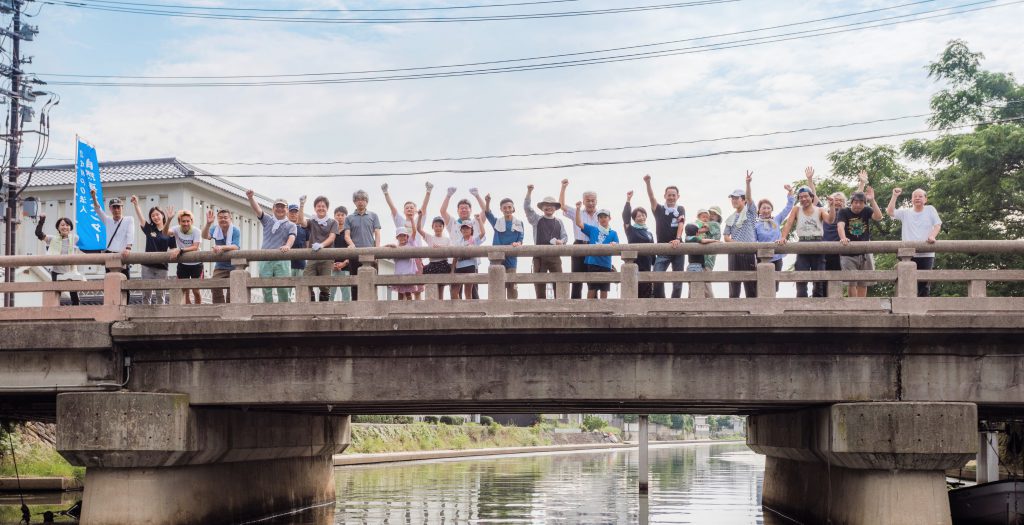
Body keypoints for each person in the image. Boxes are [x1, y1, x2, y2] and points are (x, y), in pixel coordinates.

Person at [777, 169, 835, 298]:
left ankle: (818, 304)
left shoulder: (819, 210)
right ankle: (801, 303)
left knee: (818, 277)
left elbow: (830, 220)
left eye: (806, 196)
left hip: (818, 243)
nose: (803, 199)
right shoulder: (796, 209)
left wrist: (831, 207)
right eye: (801, 197)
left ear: (811, 197)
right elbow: (788, 224)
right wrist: (783, 238)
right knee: (801, 276)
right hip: (803, 243)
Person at [886, 187, 942, 297]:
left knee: (924, 284)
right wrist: (894, 196)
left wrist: (932, 236)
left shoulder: (930, 209)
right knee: (906, 283)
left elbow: (937, 225)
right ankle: (906, 309)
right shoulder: (906, 213)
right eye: (915, 196)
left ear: (925, 199)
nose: (917, 198)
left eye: (920, 196)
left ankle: (922, 310)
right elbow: (890, 212)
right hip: (908, 253)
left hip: (927, 252)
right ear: (911, 200)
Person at [247, 190, 297, 303]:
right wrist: (251, 198)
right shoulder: (268, 220)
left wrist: (288, 246)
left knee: (283, 287)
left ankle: (284, 310)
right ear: (273, 208)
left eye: (282, 207)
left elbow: (292, 236)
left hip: (282, 258)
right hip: (265, 258)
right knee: (266, 287)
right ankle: (268, 310)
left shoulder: (291, 225)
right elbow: (257, 210)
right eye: (277, 206)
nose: (280, 209)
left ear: (287, 210)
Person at [822, 170, 865, 295]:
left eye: (841, 200)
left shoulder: (846, 213)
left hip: (841, 249)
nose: (838, 202)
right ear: (831, 201)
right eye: (836, 200)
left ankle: (838, 304)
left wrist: (862, 183)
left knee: (840, 279)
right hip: (825, 249)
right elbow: (814, 198)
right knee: (824, 278)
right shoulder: (824, 213)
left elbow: (857, 197)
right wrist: (809, 180)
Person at [642, 175, 686, 298]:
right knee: (657, 276)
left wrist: (678, 239)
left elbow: (681, 224)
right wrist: (648, 182)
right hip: (662, 248)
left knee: (678, 280)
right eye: (669, 195)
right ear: (665, 196)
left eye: (674, 195)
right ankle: (660, 302)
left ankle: (675, 305)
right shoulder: (659, 209)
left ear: (678, 196)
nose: (671, 197)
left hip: (678, 248)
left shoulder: (680, 209)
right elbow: (651, 197)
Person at [440, 186, 486, 299]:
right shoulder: (453, 223)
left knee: (472, 291)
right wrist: (448, 195)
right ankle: (457, 313)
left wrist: (477, 195)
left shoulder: (475, 221)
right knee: (455, 291)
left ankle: (476, 314)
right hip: (455, 262)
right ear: (457, 210)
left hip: (471, 262)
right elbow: (442, 211)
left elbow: (486, 211)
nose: (464, 210)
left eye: (466, 208)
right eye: (461, 208)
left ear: (470, 210)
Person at [837, 188, 884, 297]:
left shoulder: (866, 210)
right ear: (851, 202)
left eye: (861, 203)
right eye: (856, 202)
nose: (858, 205)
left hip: (864, 252)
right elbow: (840, 225)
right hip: (848, 252)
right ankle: (854, 306)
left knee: (864, 281)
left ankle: (861, 305)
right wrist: (843, 238)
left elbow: (879, 217)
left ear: (864, 204)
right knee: (851, 282)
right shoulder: (844, 211)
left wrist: (872, 200)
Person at [383, 182, 426, 299]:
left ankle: (416, 310)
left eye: (412, 207)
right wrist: (386, 193)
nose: (409, 209)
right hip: (402, 257)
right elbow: (393, 209)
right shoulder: (400, 221)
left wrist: (428, 191)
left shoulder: (418, 220)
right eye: (407, 207)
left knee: (416, 288)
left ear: (416, 210)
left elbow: (415, 230)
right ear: (404, 210)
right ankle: (401, 310)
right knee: (401, 291)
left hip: (416, 255)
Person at [524, 186, 568, 299]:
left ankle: (559, 308)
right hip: (539, 256)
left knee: (559, 282)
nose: (549, 207)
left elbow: (565, 237)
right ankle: (541, 309)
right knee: (539, 284)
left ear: (555, 208)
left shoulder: (559, 222)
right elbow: (527, 207)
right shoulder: (536, 220)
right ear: (542, 207)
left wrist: (561, 242)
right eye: (546, 205)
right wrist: (529, 192)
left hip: (555, 256)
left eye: (551, 205)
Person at [130, 195, 174, 304]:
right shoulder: (149, 229)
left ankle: (161, 318)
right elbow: (140, 218)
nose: (155, 217)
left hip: (162, 267)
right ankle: (145, 317)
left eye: (157, 214)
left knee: (161, 296)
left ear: (162, 215)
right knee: (146, 295)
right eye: (153, 215)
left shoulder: (170, 232)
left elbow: (173, 249)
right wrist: (136, 204)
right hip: (147, 266)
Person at [560, 179, 599, 299]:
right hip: (578, 245)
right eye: (588, 201)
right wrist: (563, 187)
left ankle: (593, 307)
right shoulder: (578, 212)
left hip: (594, 247)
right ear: (584, 201)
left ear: (596, 201)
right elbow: (561, 205)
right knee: (576, 278)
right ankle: (575, 307)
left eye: (593, 200)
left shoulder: (601, 215)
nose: (591, 203)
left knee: (593, 279)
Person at [572, 203, 618, 299]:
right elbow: (579, 223)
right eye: (600, 217)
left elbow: (616, 244)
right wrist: (577, 209)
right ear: (598, 220)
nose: (603, 219)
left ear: (609, 218)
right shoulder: (593, 229)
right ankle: (588, 311)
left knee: (604, 289)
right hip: (592, 263)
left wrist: (614, 244)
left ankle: (603, 311)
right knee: (592, 288)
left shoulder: (613, 233)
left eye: (605, 216)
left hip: (606, 264)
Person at [483, 193, 525, 299]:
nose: (507, 209)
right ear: (501, 209)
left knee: (512, 284)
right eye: (505, 208)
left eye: (509, 207)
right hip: (497, 258)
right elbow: (488, 213)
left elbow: (520, 239)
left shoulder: (519, 223)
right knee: (497, 284)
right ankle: (497, 308)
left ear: (513, 208)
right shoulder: (497, 222)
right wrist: (487, 201)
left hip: (511, 257)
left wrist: (518, 243)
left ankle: (513, 308)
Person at [723, 171, 757, 298]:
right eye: (732, 198)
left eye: (736, 198)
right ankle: (733, 311)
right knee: (733, 283)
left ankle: (753, 310)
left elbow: (749, 198)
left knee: (750, 283)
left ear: (743, 200)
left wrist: (747, 183)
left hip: (748, 252)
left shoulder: (750, 212)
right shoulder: (730, 218)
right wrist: (737, 244)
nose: (734, 200)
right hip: (734, 252)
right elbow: (726, 237)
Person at [298, 195, 338, 302]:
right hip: (313, 256)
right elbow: (301, 221)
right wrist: (302, 205)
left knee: (325, 285)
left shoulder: (333, 222)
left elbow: (332, 237)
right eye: (318, 206)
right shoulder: (312, 221)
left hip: (327, 257)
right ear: (315, 208)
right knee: (306, 280)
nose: (321, 208)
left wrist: (322, 245)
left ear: (327, 208)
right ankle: (310, 307)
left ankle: (323, 310)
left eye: (323, 206)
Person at [343, 190, 382, 301]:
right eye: (358, 199)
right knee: (355, 282)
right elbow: (346, 235)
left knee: (373, 281)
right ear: (354, 202)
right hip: (355, 254)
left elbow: (377, 233)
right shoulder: (349, 218)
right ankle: (355, 304)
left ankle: (374, 304)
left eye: (363, 199)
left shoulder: (373, 216)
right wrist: (352, 245)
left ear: (367, 201)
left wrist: (377, 250)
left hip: (370, 253)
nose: (360, 202)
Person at [34, 214, 81, 305]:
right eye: (62, 225)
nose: (65, 227)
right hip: (57, 271)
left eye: (67, 225)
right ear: (58, 227)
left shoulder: (75, 238)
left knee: (74, 293)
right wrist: (42, 220)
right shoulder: (52, 239)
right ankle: (55, 313)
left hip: (70, 270)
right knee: (56, 293)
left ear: (70, 227)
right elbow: (38, 234)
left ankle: (77, 311)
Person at [754, 186, 796, 287]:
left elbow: (788, 207)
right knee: (762, 285)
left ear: (771, 209)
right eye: (763, 208)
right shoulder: (756, 225)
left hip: (777, 256)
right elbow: (754, 241)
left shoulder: (776, 220)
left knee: (775, 285)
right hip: (762, 257)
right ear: (759, 210)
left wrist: (790, 192)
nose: (766, 210)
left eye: (768, 208)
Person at [89, 189, 134, 278]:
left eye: (118, 207)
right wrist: (94, 197)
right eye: (114, 207)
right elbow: (98, 209)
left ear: (122, 208)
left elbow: (130, 233)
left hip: (123, 254)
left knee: (125, 281)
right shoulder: (107, 220)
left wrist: (128, 248)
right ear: (110, 209)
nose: (116, 209)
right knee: (110, 280)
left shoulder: (129, 219)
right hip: (109, 255)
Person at [202, 208, 240, 304]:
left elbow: (236, 246)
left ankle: (230, 310)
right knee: (214, 285)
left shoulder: (235, 230)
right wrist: (208, 224)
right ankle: (219, 308)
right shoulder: (215, 229)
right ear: (217, 219)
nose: (223, 219)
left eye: (225, 217)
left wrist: (221, 247)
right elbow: (205, 236)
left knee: (232, 289)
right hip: (221, 265)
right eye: (220, 218)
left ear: (230, 218)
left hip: (234, 265)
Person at [623, 191, 655, 298]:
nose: (641, 217)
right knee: (635, 290)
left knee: (647, 290)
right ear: (634, 219)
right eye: (638, 216)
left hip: (647, 264)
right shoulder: (631, 230)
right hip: (635, 264)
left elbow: (653, 250)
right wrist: (628, 200)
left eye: (643, 215)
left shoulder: (649, 233)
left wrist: (655, 264)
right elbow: (625, 217)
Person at [168, 210, 203, 304]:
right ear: (179, 222)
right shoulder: (176, 229)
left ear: (191, 221)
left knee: (196, 290)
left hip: (196, 263)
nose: (186, 223)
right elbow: (165, 233)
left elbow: (195, 247)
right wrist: (168, 220)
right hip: (183, 264)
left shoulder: (196, 231)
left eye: (188, 221)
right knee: (184, 290)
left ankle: (198, 310)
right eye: (183, 221)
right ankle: (188, 311)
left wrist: (181, 250)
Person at [451, 213, 486, 300]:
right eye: (463, 228)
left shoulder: (474, 240)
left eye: (467, 228)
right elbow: (455, 257)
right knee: (454, 291)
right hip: (459, 267)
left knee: (468, 292)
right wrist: (452, 270)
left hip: (470, 266)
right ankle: (459, 310)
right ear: (461, 230)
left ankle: (468, 312)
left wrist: (479, 220)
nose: (465, 230)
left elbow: (483, 233)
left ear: (471, 230)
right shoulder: (458, 242)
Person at [387, 226, 420, 300]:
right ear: (397, 237)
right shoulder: (395, 248)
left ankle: (410, 309)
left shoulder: (410, 244)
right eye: (400, 236)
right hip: (399, 274)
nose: (402, 237)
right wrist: (389, 246)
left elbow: (414, 232)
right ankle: (400, 310)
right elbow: (385, 252)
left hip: (409, 273)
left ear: (407, 236)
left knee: (408, 293)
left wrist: (411, 219)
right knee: (400, 293)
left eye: (404, 235)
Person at [330, 206, 352, 302]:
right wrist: (331, 264)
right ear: (334, 216)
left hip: (346, 266)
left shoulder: (349, 233)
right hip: (331, 267)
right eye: (337, 215)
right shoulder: (331, 233)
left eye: (342, 215)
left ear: (346, 217)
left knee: (346, 295)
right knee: (330, 294)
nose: (340, 217)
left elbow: (352, 249)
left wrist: (345, 263)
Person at [702, 207, 723, 298]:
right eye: (709, 213)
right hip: (705, 257)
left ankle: (712, 303)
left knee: (706, 282)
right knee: (703, 282)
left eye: (714, 214)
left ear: (718, 217)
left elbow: (699, 228)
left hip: (707, 258)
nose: (711, 216)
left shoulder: (714, 224)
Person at [287, 201, 310, 287]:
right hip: (288, 263)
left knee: (301, 288)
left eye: (295, 212)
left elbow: (308, 245)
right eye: (291, 212)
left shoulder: (304, 228)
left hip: (301, 263)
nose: (293, 214)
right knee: (287, 289)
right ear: (287, 213)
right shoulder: (285, 227)